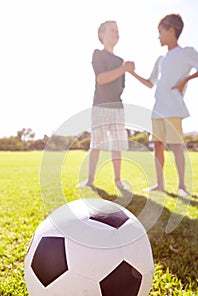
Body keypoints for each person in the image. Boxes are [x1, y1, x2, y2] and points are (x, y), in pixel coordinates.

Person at [131, 14, 198, 195]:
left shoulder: (186, 52)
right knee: (158, 147)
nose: (158, 36)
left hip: (173, 108)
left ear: (171, 30)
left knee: (176, 146)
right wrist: (132, 72)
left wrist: (186, 79)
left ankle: (182, 186)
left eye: (160, 32)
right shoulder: (160, 60)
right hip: (158, 109)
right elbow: (150, 82)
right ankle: (160, 185)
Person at [77, 20, 134, 190]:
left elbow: (122, 86)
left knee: (117, 145)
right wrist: (124, 69)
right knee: (96, 144)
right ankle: (90, 180)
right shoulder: (98, 54)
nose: (116, 33)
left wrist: (123, 70)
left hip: (117, 107)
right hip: (100, 106)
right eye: (112, 30)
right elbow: (101, 79)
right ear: (102, 34)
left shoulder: (120, 60)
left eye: (118, 30)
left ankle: (118, 180)